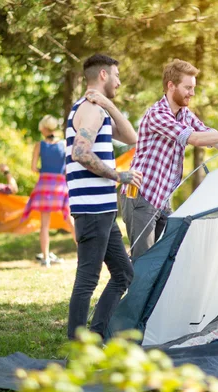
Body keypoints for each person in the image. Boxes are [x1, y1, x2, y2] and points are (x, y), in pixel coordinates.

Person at [111, 58, 218, 260]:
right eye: (188, 88)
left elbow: (213, 139)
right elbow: (196, 138)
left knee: (165, 260)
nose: (192, 93)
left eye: (193, 88)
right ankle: (132, 291)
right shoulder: (157, 114)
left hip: (162, 200)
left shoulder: (185, 115)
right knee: (143, 262)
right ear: (171, 86)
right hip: (142, 197)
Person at [65, 54, 142, 340]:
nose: (119, 82)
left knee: (123, 274)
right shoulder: (90, 111)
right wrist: (118, 175)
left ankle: (95, 338)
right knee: (87, 279)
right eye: (116, 76)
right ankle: (77, 350)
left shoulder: (100, 110)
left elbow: (132, 137)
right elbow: (80, 153)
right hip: (92, 209)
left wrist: (108, 103)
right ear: (103, 76)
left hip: (104, 211)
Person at [22, 115, 75, 267]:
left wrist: (43, 171)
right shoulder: (65, 144)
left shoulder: (39, 145)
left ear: (44, 129)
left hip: (44, 185)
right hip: (60, 185)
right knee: (70, 221)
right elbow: (68, 168)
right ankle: (83, 254)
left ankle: (45, 259)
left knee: (44, 224)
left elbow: (33, 168)